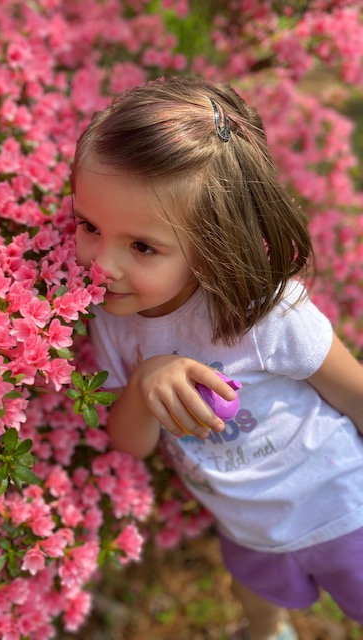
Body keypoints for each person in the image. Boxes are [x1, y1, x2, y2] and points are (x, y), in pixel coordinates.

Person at [71, 76, 363, 640]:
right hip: (244, 525)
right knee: (254, 599)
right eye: (88, 225)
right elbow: (130, 441)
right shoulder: (112, 319)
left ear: (211, 243)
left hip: (342, 506)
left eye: (141, 246)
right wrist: (144, 382)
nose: (99, 262)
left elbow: (353, 392)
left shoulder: (267, 314)